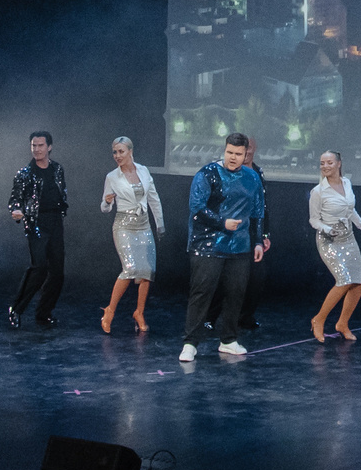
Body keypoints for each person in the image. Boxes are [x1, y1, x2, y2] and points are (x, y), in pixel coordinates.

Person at [180, 132, 268, 362]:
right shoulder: (208, 173)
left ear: (245, 153)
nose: (233, 157)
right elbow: (196, 207)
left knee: (236, 293)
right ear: (225, 150)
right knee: (202, 293)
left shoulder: (252, 177)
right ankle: (190, 343)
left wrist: (258, 240)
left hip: (239, 245)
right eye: (229, 152)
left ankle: (228, 339)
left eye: (238, 154)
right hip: (207, 243)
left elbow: (258, 211)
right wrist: (222, 222)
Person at [306, 151, 361, 343]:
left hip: (348, 238)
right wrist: (327, 229)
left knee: (358, 282)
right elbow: (313, 219)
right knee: (344, 279)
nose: (325, 166)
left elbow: (350, 210)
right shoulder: (318, 191)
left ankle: (342, 323)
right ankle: (319, 319)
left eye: (329, 162)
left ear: (338, 163)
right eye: (322, 163)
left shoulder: (347, 183)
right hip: (328, 240)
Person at [98, 136, 164, 335]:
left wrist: (160, 224)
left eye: (121, 151)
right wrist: (108, 201)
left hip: (143, 225)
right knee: (130, 268)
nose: (117, 156)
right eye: (115, 152)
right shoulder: (112, 177)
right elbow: (104, 208)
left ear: (130, 151)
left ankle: (139, 312)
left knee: (147, 271)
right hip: (124, 225)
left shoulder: (143, 170)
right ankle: (110, 310)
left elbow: (153, 198)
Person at [7, 130, 70, 327]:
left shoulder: (57, 169)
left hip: (55, 221)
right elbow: (15, 198)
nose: (37, 149)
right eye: (34, 145)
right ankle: (16, 309)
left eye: (40, 145)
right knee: (40, 267)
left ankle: (44, 312)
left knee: (57, 271)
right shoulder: (25, 174)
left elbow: (61, 192)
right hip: (36, 222)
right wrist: (17, 210)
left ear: (49, 147)